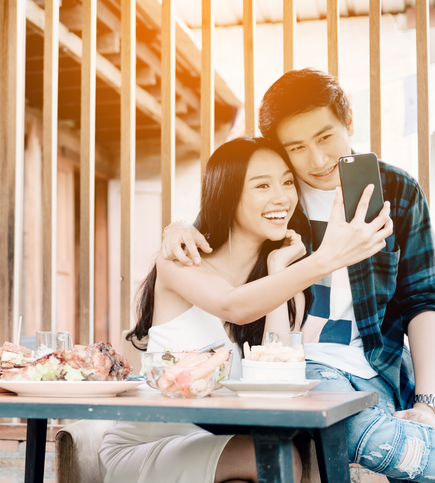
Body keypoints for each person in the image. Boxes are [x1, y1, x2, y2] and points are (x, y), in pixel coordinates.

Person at [163, 68, 435, 481]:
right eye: (297, 148)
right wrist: (177, 227)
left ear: (349, 124)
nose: (318, 160)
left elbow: (422, 299)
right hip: (296, 363)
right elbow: (210, 233)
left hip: (374, 363)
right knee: (357, 428)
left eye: (326, 137)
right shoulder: (274, 195)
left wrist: (427, 398)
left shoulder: (396, 192)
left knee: (390, 438)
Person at [98, 136, 391, 483]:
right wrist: (327, 258)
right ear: (229, 194)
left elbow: (272, 380)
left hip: (222, 446)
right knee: (277, 460)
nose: (281, 196)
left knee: (273, 457)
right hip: (149, 445)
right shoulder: (181, 261)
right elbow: (232, 306)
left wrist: (279, 270)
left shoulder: (283, 284)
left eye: (286, 182)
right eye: (262, 185)